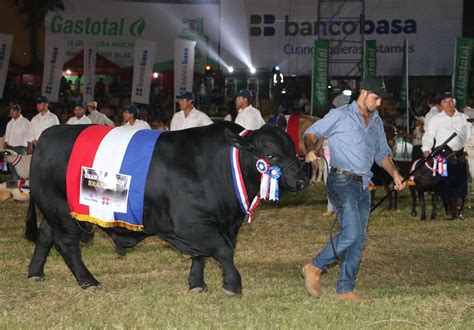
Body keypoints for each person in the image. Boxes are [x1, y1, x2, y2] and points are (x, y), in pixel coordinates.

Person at [302, 76, 405, 302]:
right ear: (363, 92)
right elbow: (311, 132)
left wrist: (395, 173)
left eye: (381, 100)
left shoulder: (377, 122)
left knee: (358, 239)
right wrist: (311, 149)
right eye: (376, 98)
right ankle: (315, 266)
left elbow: (382, 154)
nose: (378, 104)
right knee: (351, 233)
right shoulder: (340, 115)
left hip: (363, 185)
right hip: (341, 181)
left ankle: (345, 289)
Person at [421, 92, 471, 220]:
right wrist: (426, 149)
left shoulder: (463, 117)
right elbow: (429, 135)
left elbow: (470, 136)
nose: (449, 104)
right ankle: (448, 210)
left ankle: (459, 211)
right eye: (446, 101)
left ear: (455, 102)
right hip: (442, 154)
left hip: (460, 153)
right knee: (444, 182)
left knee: (461, 182)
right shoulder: (436, 119)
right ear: (441, 104)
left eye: (451, 101)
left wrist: (467, 150)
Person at [3, 103, 31, 179]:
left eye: (13, 111)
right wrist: (4, 150)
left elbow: (30, 138)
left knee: (17, 173)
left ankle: (15, 189)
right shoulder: (10, 123)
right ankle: (15, 188)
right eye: (10, 111)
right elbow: (6, 138)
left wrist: (29, 152)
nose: (11, 112)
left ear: (19, 111)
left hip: (20, 150)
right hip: (9, 149)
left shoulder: (25, 122)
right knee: (12, 171)